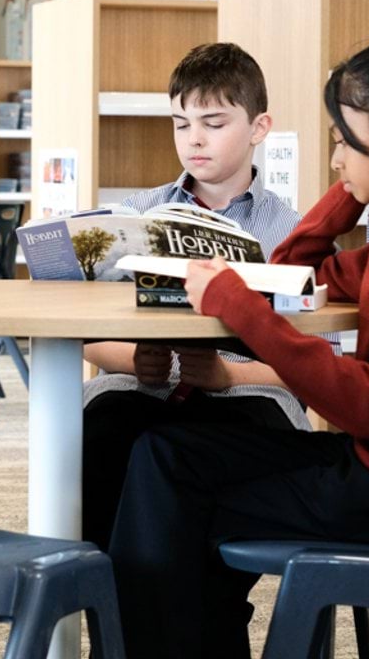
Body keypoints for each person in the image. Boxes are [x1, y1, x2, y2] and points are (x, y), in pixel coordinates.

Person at [108, 36, 369, 659]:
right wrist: (347, 198)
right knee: (163, 455)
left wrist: (234, 303)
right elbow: (288, 273)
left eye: (341, 138)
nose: (335, 157)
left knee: (170, 483)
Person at [80, 42, 307, 550]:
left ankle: (206, 611)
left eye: (214, 123)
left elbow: (326, 361)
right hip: (139, 385)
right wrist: (136, 360)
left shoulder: (293, 232)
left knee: (195, 460)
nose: (194, 139)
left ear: (259, 128)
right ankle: (109, 603)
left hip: (248, 392)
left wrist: (230, 374)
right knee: (96, 436)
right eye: (181, 124)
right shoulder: (138, 213)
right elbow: (85, 338)